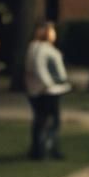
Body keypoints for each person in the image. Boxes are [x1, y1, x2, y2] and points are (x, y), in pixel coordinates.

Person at [24, 21, 71, 160]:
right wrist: (48, 84)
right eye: (52, 31)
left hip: (45, 90)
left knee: (42, 120)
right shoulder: (40, 48)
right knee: (48, 121)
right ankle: (45, 149)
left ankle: (42, 149)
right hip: (47, 91)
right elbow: (39, 68)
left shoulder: (38, 47)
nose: (54, 34)